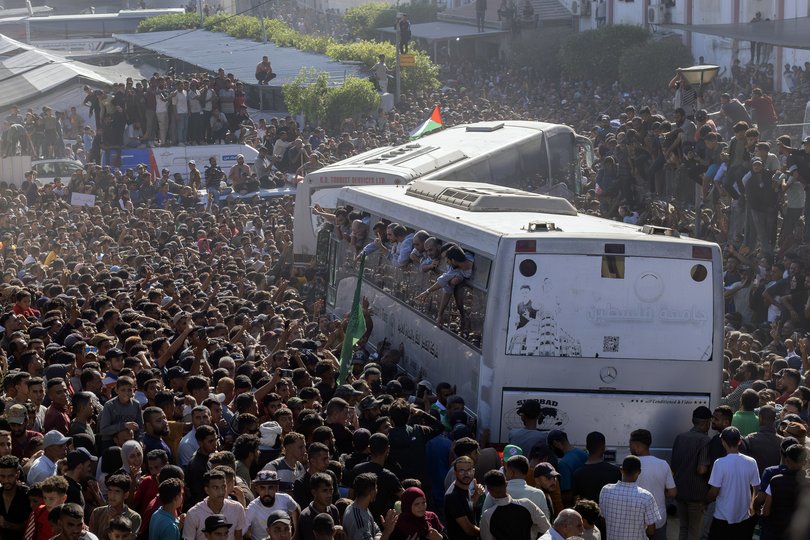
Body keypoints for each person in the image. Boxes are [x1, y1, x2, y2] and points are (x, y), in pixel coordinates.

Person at [705, 427, 760, 539]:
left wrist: (704, 502)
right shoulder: (751, 462)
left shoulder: (719, 463)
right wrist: (752, 506)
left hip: (722, 517)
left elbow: (714, 491)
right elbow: (756, 487)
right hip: (744, 517)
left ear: (723, 442)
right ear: (740, 441)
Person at [670, 405, 712, 540]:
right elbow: (702, 469)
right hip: (696, 494)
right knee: (694, 531)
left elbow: (673, 465)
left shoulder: (680, 437)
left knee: (683, 528)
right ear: (706, 423)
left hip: (680, 490)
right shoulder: (705, 441)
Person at [629, 429, 676, 540]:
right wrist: (661, 490)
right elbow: (673, 492)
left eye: (630, 444)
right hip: (659, 519)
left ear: (637, 446)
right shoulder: (663, 464)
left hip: (636, 520)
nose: (629, 447)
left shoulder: (629, 465)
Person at [599, 455, 660, 540]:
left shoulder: (605, 491)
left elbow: (603, 518)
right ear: (639, 472)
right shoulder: (646, 497)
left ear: (621, 469)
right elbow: (651, 530)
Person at [479, 469, 550, 540]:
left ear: (488, 489)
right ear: (506, 484)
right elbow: (546, 527)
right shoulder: (526, 504)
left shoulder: (487, 516)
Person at [184, 469, 246, 540]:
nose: (221, 492)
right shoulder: (193, 514)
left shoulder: (237, 508)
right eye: (215, 488)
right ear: (207, 490)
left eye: (223, 487)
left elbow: (239, 537)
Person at [244, 470, 300, 540]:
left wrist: (296, 535)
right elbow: (241, 532)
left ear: (276, 488)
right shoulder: (252, 509)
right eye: (262, 488)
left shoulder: (285, 499)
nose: (266, 492)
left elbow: (295, 509)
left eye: (270, 487)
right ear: (257, 489)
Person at [343, 473, 398, 540]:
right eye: (376, 488)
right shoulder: (359, 519)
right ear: (372, 492)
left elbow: (377, 532)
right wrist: (387, 531)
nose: (377, 491)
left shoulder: (362, 508)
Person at [571, 431, 621, 504]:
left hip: (587, 514)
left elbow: (576, 500)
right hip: (607, 514)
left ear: (587, 447)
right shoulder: (614, 471)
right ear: (603, 448)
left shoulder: (577, 473)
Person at [89, 474, 141, 540]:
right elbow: (91, 537)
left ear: (126, 495)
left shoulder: (134, 517)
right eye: (110, 490)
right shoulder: (97, 512)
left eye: (117, 491)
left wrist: (116, 520)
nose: (112, 495)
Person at [444, 456, 484, 539]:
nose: (466, 474)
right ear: (455, 473)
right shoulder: (452, 496)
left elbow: (468, 506)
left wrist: (476, 494)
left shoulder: (465, 487)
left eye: (469, 470)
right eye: (462, 471)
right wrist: (487, 532)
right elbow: (469, 529)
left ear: (473, 471)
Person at [0, 454, 31, 537]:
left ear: (17, 474)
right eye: (2, 476)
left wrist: (6, 524)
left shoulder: (27, 495)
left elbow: (29, 527)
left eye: (10, 476)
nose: (6, 480)